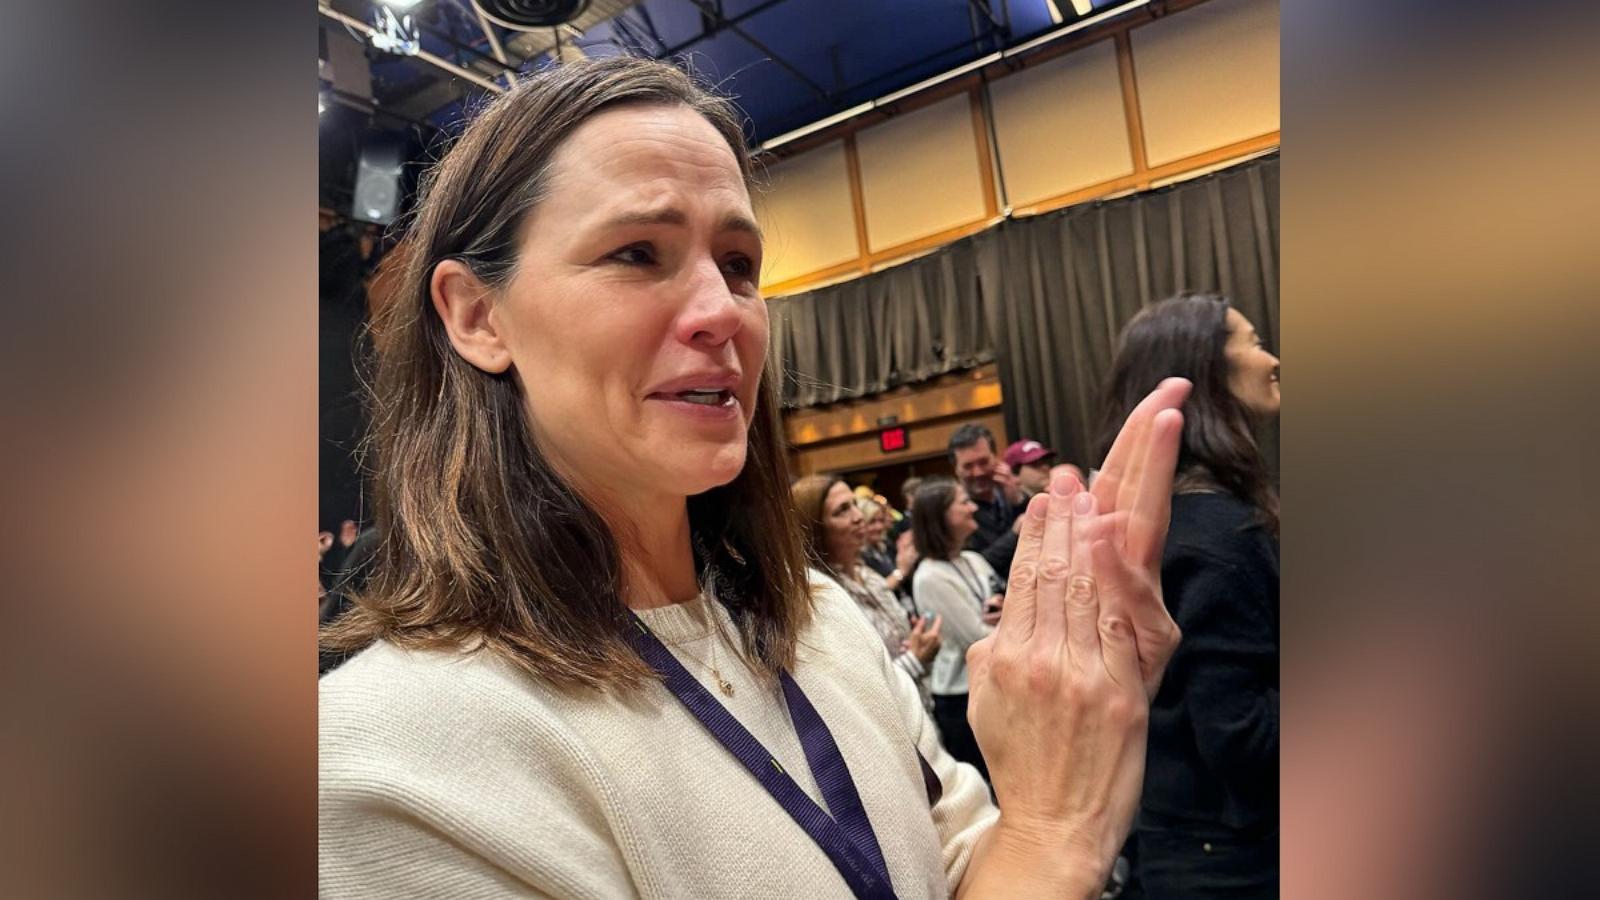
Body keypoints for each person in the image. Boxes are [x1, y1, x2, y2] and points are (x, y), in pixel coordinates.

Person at [319, 56, 1190, 900]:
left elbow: (966, 863)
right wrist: (1051, 831)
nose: (720, 313)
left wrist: (1077, 728)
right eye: (636, 254)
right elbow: (1030, 856)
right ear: (477, 316)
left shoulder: (822, 623)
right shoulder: (392, 754)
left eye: (738, 265)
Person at [1096, 293, 1280, 900]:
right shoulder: (1217, 533)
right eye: (1251, 342)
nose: (1272, 358)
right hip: (1234, 861)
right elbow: (1242, 738)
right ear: (1205, 369)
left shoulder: (1184, 521)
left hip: (1190, 844)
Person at [791, 475, 940, 712]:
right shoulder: (821, 598)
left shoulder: (868, 575)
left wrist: (916, 638)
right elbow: (856, 689)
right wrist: (915, 659)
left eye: (854, 505)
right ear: (814, 528)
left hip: (920, 707)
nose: (859, 517)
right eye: (842, 511)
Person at [908, 478, 1008, 781]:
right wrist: (1006, 618)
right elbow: (976, 636)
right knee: (990, 783)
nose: (972, 507)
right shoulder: (929, 577)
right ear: (940, 516)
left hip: (995, 681)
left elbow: (1004, 603)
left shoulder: (974, 560)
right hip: (961, 695)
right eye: (963, 502)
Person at [947, 424, 1024, 581]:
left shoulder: (1012, 492)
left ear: (996, 458)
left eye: (983, 462)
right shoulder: (952, 514)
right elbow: (973, 568)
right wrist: (1014, 535)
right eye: (968, 466)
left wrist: (1018, 501)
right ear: (955, 469)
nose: (978, 472)